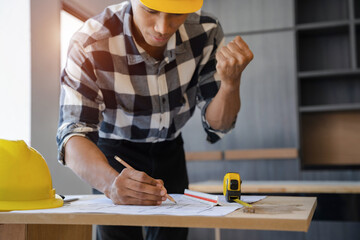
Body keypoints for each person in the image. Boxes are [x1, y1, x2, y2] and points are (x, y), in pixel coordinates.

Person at [56, 0, 253, 239]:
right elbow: (74, 134)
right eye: (150, 11)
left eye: (176, 14)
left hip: (170, 151)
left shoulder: (206, 31)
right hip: (113, 155)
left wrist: (231, 85)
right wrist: (110, 185)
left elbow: (218, 123)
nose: (162, 27)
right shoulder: (90, 41)